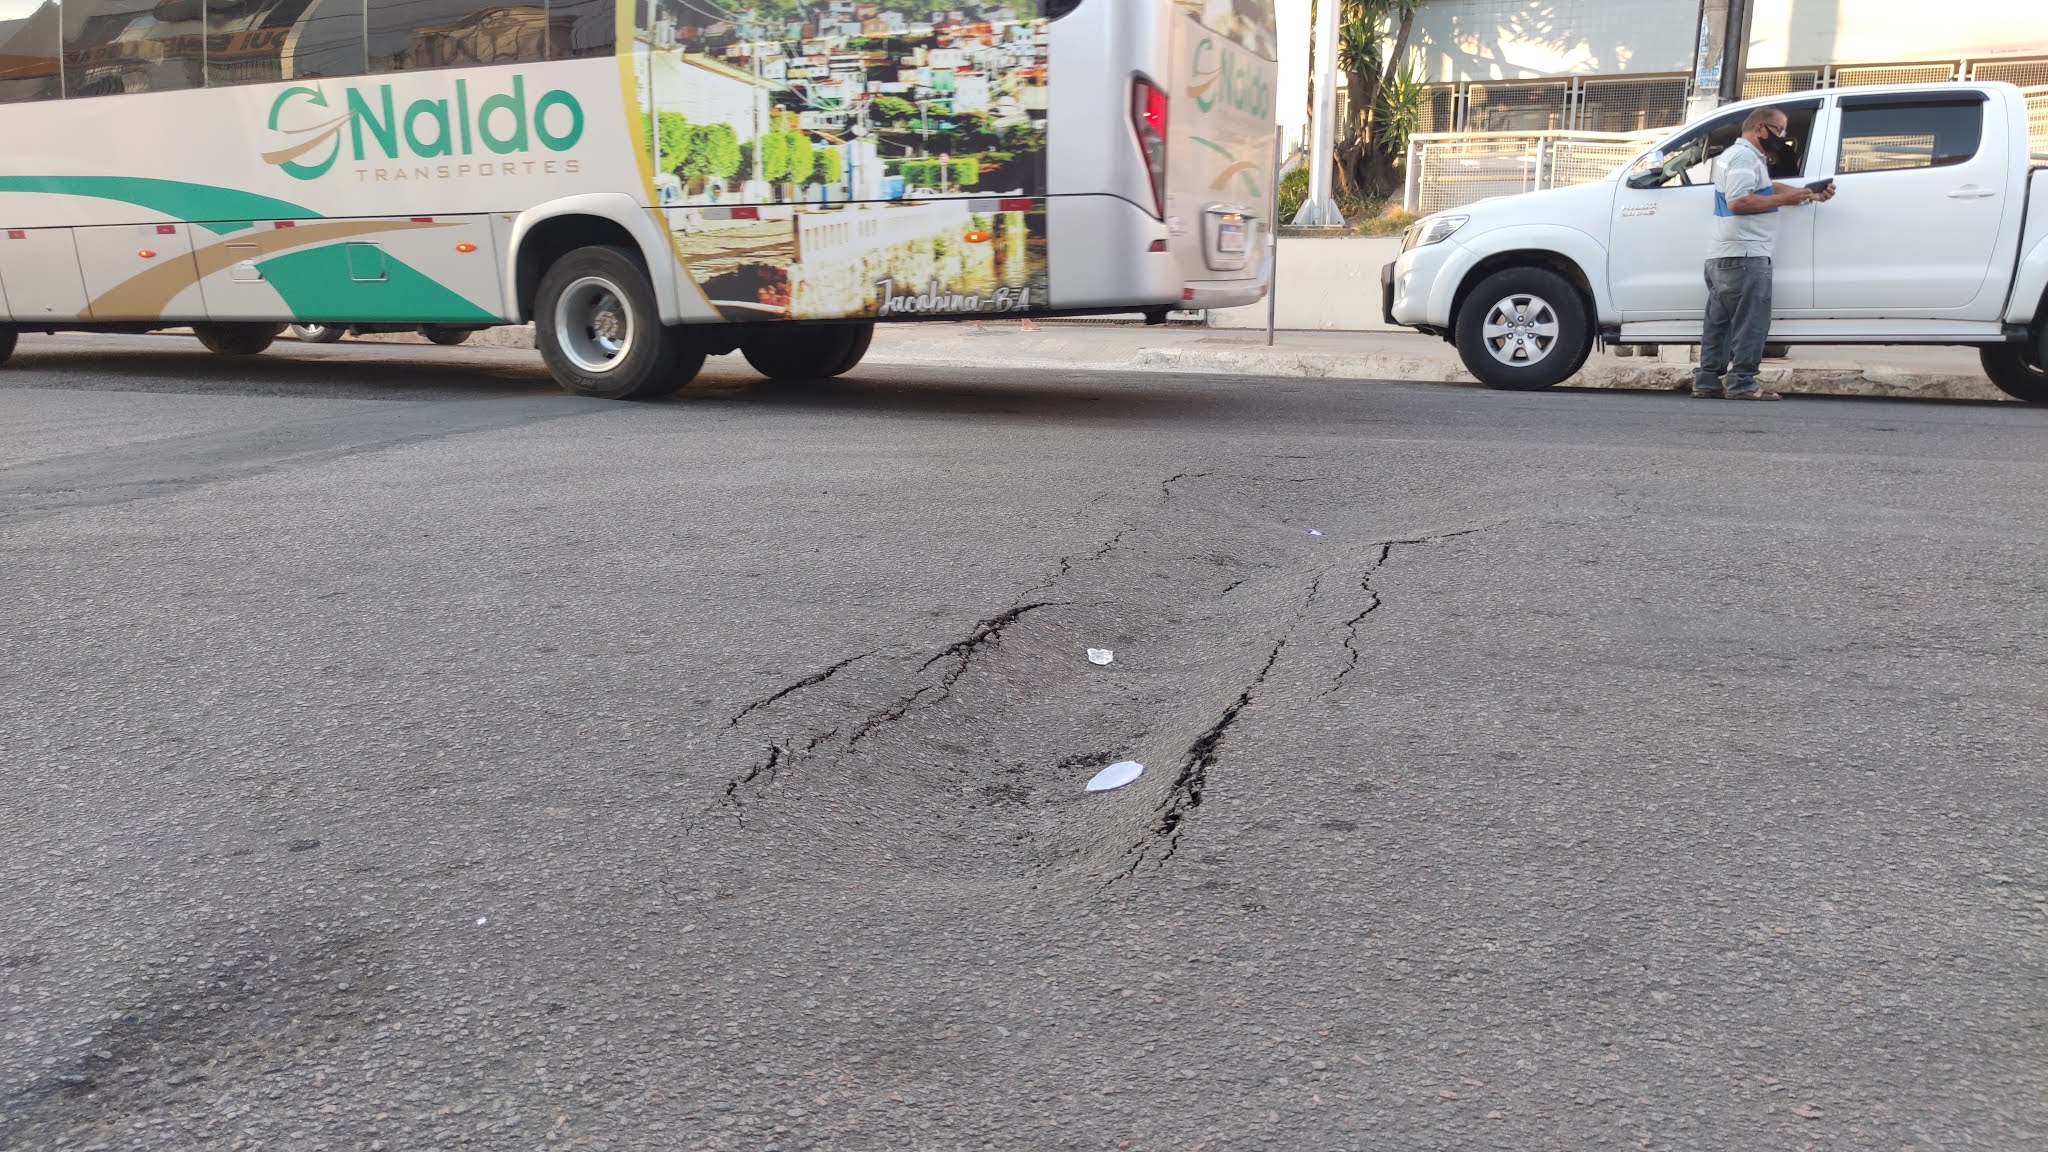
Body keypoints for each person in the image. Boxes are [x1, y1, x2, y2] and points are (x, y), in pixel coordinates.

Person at [1694, 106, 1836, 401]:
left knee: (1719, 323)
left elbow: (1766, 188)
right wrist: (1788, 199)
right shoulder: (1745, 157)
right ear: (1760, 128)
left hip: (1724, 253)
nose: (1782, 138)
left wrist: (1805, 193)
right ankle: (1742, 383)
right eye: (1779, 131)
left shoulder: (1737, 156)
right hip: (1746, 254)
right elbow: (1739, 201)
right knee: (1751, 322)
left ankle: (1707, 380)